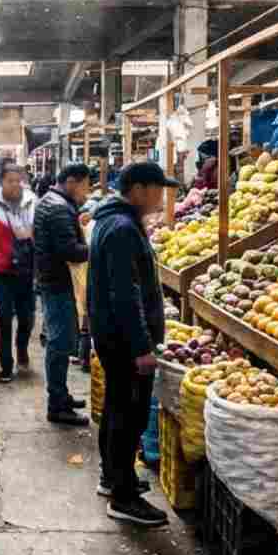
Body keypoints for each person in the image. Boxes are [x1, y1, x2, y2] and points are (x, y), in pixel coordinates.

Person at [87, 161, 181, 527]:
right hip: (125, 341)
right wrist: (142, 346)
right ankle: (124, 498)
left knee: (117, 408)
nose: (162, 196)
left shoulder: (113, 221)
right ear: (139, 189)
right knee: (129, 414)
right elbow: (126, 294)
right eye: (158, 189)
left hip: (113, 336)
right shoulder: (123, 228)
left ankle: (113, 477)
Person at [33, 163, 92, 426]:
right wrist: (93, 247)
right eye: (85, 186)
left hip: (52, 279)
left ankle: (62, 395)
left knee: (61, 340)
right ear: (72, 181)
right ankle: (57, 405)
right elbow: (69, 250)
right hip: (57, 282)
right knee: (59, 343)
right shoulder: (57, 207)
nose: (87, 192)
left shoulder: (52, 200)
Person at [0, 162, 37, 382]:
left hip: (25, 269)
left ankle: (21, 348)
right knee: (3, 318)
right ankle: (6, 365)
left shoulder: (32, 201)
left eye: (18, 180)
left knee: (27, 317)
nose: (15, 185)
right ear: (0, 182)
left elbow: (38, 233)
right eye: (10, 181)